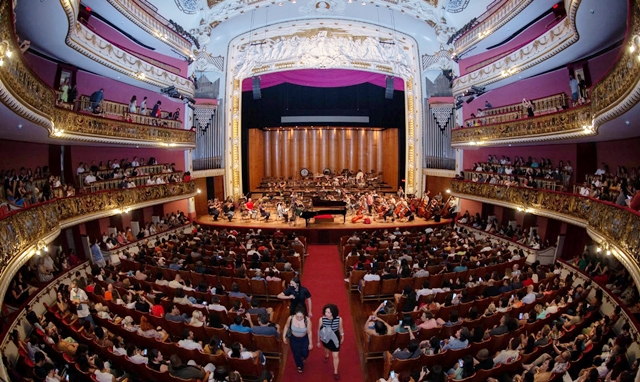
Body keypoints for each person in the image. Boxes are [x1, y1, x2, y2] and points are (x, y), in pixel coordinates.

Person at [283, 305, 313, 373]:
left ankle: (303, 357)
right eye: (297, 317)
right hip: (294, 339)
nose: (299, 318)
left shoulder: (307, 320)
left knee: (305, 353)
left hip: (304, 339)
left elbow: (309, 332)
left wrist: (310, 343)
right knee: (296, 353)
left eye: (301, 317)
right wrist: (284, 336)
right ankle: (299, 365)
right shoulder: (290, 318)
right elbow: (286, 326)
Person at [317, 303, 344, 380]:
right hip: (326, 337)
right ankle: (326, 354)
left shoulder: (339, 319)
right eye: (326, 312)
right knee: (326, 349)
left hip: (335, 337)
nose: (326, 314)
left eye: (329, 312)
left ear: (333, 313)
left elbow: (340, 328)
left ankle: (335, 371)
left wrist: (342, 335)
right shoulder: (321, 319)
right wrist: (318, 340)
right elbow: (319, 330)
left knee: (335, 356)